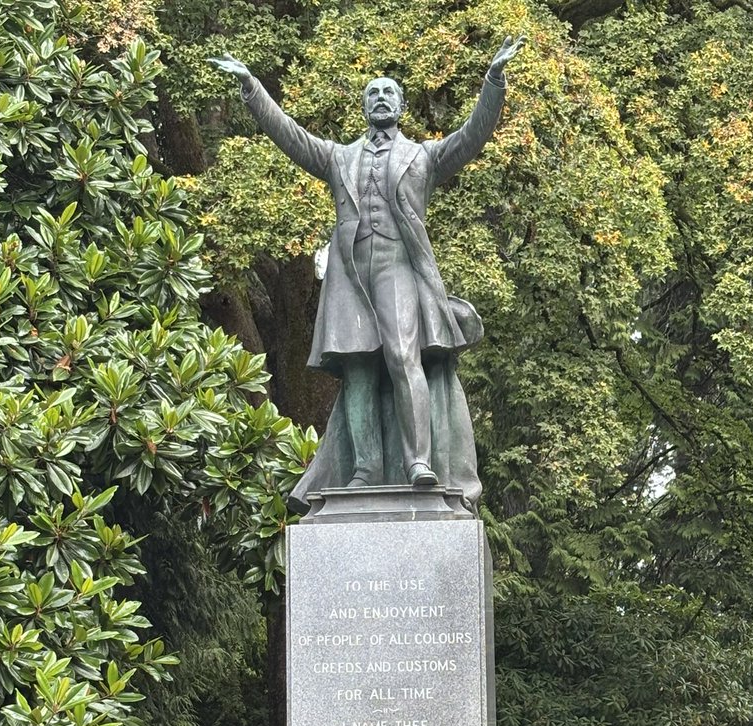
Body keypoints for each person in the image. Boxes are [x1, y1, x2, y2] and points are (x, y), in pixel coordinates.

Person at [210, 36, 525, 511]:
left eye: (389, 92)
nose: (380, 96)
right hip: (349, 276)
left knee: (402, 356)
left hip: (398, 267)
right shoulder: (339, 157)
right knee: (357, 371)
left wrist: (493, 82)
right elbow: (290, 135)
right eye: (372, 92)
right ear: (364, 106)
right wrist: (252, 87)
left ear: (399, 106)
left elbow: (472, 136)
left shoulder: (423, 156)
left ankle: (419, 463)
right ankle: (364, 470)